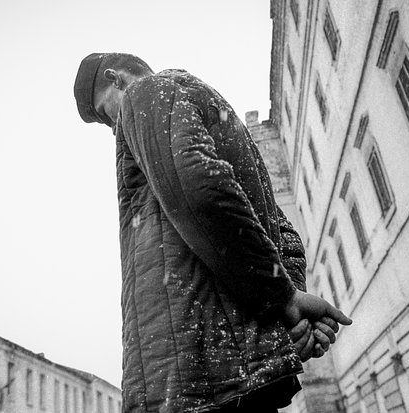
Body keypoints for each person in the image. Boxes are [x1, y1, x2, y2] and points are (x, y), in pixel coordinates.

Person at [73, 53, 352, 413]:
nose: (114, 128)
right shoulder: (221, 119)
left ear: (116, 78)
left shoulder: (146, 92)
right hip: (235, 372)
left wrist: (283, 298)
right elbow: (283, 234)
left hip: (195, 373)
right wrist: (292, 313)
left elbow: (200, 194)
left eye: (105, 113)